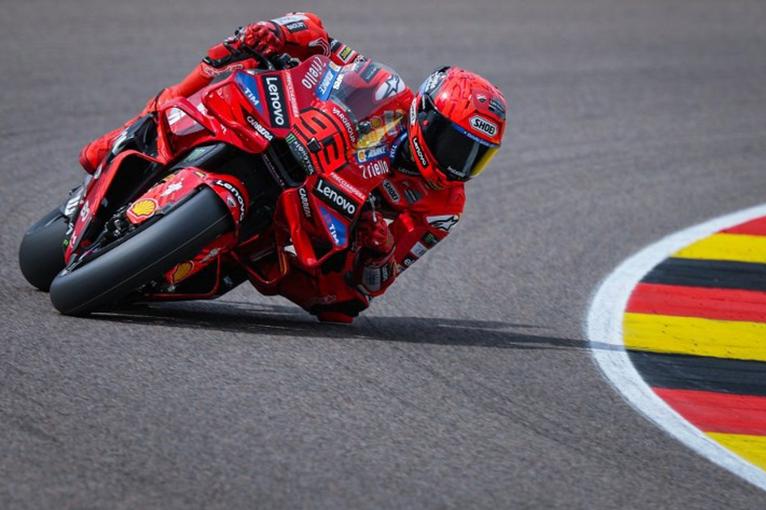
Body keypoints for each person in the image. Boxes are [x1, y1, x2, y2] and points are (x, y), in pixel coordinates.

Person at [79, 12, 507, 323]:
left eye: (476, 155)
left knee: (341, 308)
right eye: (456, 144)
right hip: (294, 143)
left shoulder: (443, 205)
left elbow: (375, 284)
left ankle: (193, 256)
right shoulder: (386, 95)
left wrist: (378, 250)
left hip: (322, 229)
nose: (459, 163)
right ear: (426, 115)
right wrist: (279, 32)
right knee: (239, 63)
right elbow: (323, 39)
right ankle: (133, 132)